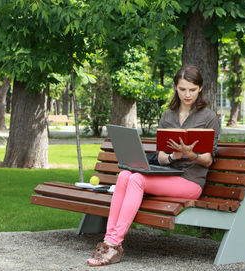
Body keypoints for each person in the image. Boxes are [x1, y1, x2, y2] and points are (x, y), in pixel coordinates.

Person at [87, 65, 220, 266]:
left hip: (191, 181)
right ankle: (109, 242)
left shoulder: (208, 117)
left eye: (192, 89)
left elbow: (208, 160)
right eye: (183, 89)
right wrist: (174, 156)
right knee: (125, 175)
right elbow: (161, 158)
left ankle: (114, 244)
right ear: (176, 87)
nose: (187, 94)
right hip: (169, 174)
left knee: (137, 179)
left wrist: (190, 154)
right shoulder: (168, 115)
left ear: (200, 88)